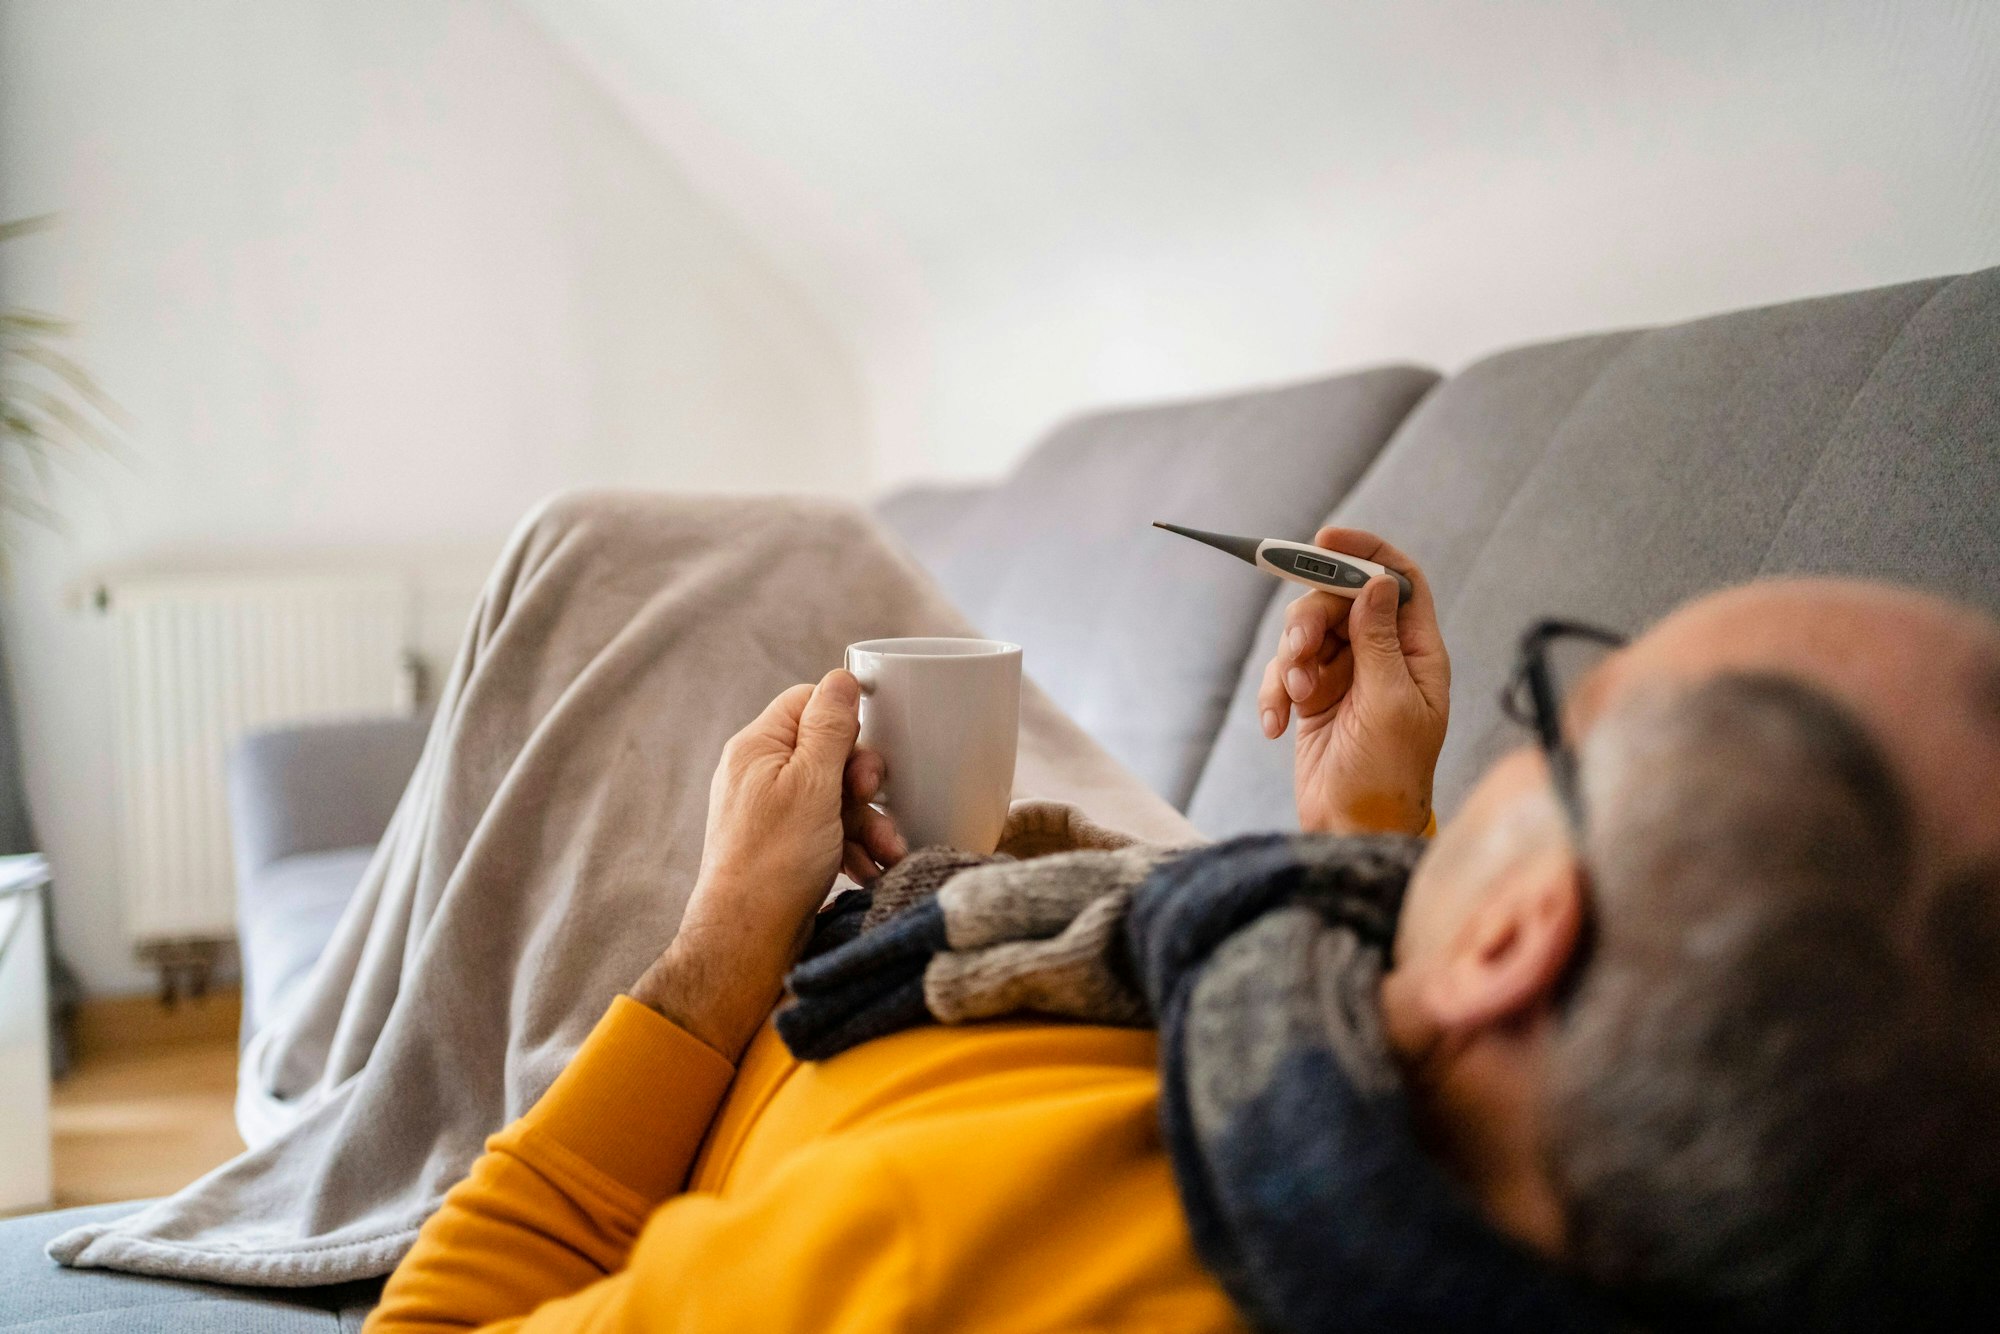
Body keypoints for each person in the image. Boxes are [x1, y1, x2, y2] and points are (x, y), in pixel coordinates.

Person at [366, 524, 2000, 1333]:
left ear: (1516, 938)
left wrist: (726, 925)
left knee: (662, 546)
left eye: (1570, 713)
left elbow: (440, 1320)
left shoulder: (947, 1250)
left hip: (724, 1033)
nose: (1519, 738)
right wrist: (1369, 831)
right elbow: (1440, 1084)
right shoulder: (1515, 1175)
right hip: (1108, 910)